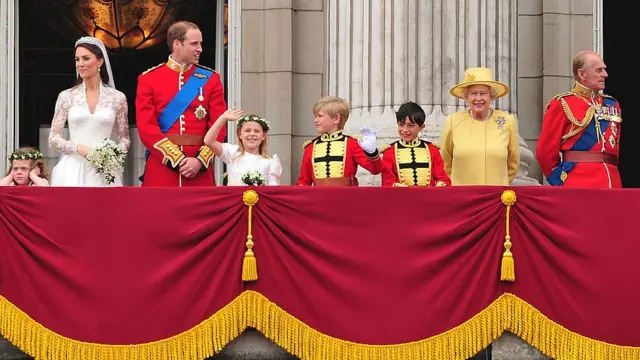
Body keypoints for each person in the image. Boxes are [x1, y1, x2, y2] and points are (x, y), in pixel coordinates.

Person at [136, 21, 227, 187]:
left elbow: (219, 126)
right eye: (194, 44)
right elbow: (146, 128)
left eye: (200, 43)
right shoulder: (149, 79)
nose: (200, 49)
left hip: (199, 170)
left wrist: (200, 160)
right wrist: (176, 159)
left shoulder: (211, 79)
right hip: (162, 167)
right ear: (177, 44)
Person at [48, 36, 130, 186]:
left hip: (105, 170)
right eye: (77, 59)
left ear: (100, 61)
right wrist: (79, 148)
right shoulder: (66, 96)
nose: (80, 64)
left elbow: (124, 139)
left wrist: (112, 154)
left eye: (86, 58)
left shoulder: (117, 98)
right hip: (71, 168)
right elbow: (53, 139)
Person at [536, 51, 621, 188]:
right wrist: (560, 180)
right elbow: (545, 151)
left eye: (604, 69)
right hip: (578, 182)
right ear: (582, 74)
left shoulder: (612, 104)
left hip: (612, 179)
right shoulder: (562, 103)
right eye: (599, 70)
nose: (605, 74)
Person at [439, 67, 520, 186]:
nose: (478, 98)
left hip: (496, 195)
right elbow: (445, 160)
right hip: (463, 195)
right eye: (473, 94)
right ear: (466, 97)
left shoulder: (507, 121)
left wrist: (500, 183)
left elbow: (513, 162)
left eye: (483, 93)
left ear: (491, 97)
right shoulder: (453, 121)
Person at [296, 96, 383, 186]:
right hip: (319, 198)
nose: (316, 120)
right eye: (316, 116)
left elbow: (376, 170)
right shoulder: (310, 147)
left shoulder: (351, 144)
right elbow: (303, 181)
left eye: (320, 116)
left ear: (336, 119)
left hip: (345, 198)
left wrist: (372, 153)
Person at [204, 108, 282, 186]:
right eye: (247, 130)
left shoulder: (270, 162)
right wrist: (223, 118)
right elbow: (209, 141)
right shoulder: (232, 153)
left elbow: (273, 189)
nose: (252, 134)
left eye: (257, 131)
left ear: (263, 136)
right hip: (234, 197)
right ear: (240, 134)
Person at [381, 102, 451, 187]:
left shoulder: (432, 149)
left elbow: (443, 179)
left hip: (427, 199)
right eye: (401, 125)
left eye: (410, 125)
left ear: (421, 127)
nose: (405, 130)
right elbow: (387, 182)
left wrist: (441, 184)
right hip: (400, 198)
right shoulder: (389, 151)